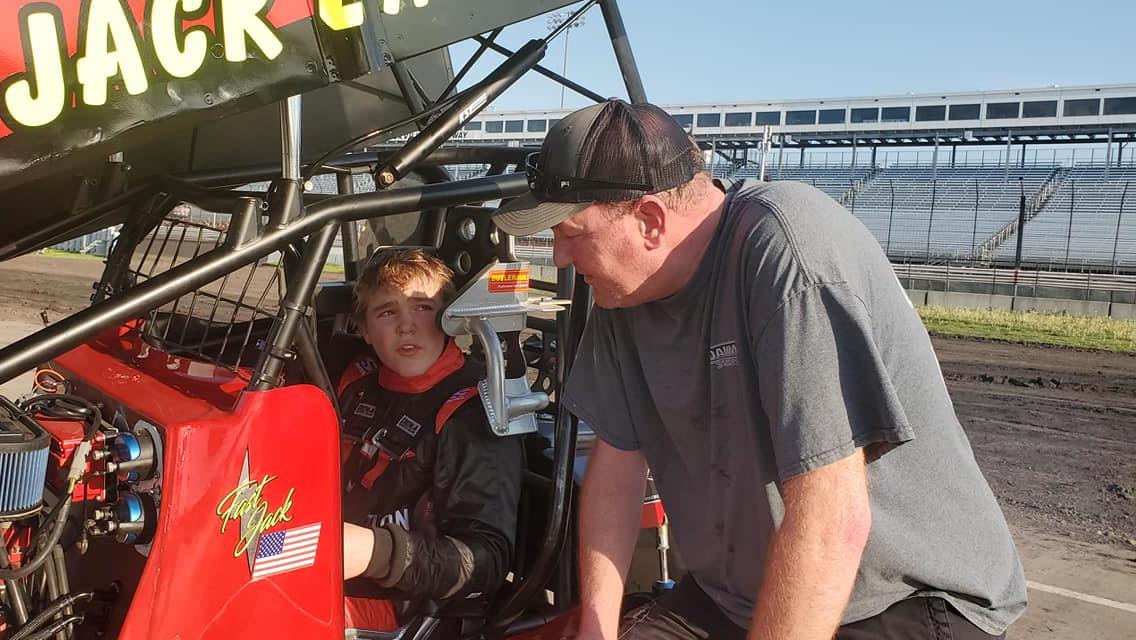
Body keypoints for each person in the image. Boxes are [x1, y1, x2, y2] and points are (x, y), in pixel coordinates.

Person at [492, 100, 1027, 640]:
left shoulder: (787, 253)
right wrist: (597, 627)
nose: (558, 256)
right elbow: (616, 463)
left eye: (571, 231)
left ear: (650, 221)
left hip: (900, 598)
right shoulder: (623, 290)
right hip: (736, 595)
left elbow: (831, 521)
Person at [336, 248, 523, 630]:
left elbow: (485, 561)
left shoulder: (469, 412)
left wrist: (377, 553)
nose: (406, 326)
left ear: (450, 319)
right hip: (329, 567)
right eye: (387, 312)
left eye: (422, 307)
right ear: (366, 332)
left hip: (410, 606)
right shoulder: (356, 383)